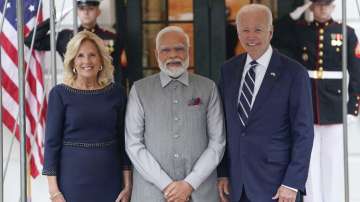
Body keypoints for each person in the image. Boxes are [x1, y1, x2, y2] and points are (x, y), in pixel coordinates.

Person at [217, 4, 314, 202]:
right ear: (237, 32)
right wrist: (223, 172)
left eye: (258, 29)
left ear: (270, 32)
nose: (251, 36)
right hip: (237, 185)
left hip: (278, 187)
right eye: (245, 30)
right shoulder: (228, 70)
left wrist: (292, 183)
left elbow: (303, 133)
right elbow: (223, 127)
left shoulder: (294, 74)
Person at [125, 26, 226, 202]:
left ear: (189, 51)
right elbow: (133, 144)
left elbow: (217, 142)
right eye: (166, 50)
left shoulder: (208, 88)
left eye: (179, 48)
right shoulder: (139, 90)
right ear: (156, 54)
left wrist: (189, 184)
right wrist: (166, 185)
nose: (173, 55)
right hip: (151, 194)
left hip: (200, 193)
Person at [272, 0, 360, 201]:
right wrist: (299, 11)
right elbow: (276, 34)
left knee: (333, 162)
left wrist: (352, 107)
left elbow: (356, 73)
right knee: (308, 161)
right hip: (307, 104)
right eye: (318, 4)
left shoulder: (346, 32)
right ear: (312, 6)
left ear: (333, 7)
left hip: (335, 107)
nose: (322, 8)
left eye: (326, 4)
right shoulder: (300, 30)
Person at [42, 31, 132, 202]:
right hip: (71, 183)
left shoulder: (117, 93)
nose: (86, 61)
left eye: (92, 55)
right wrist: (54, 192)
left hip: (110, 181)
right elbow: (51, 145)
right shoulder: (59, 94)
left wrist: (128, 186)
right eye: (80, 56)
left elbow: (124, 142)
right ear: (73, 61)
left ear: (101, 60)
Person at [25, 0, 126, 81]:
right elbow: (32, 41)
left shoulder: (110, 37)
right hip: (72, 89)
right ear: (77, 12)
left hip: (102, 89)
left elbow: (118, 69)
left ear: (98, 12)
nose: (86, 12)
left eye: (90, 8)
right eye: (82, 9)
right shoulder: (65, 36)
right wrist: (52, 20)